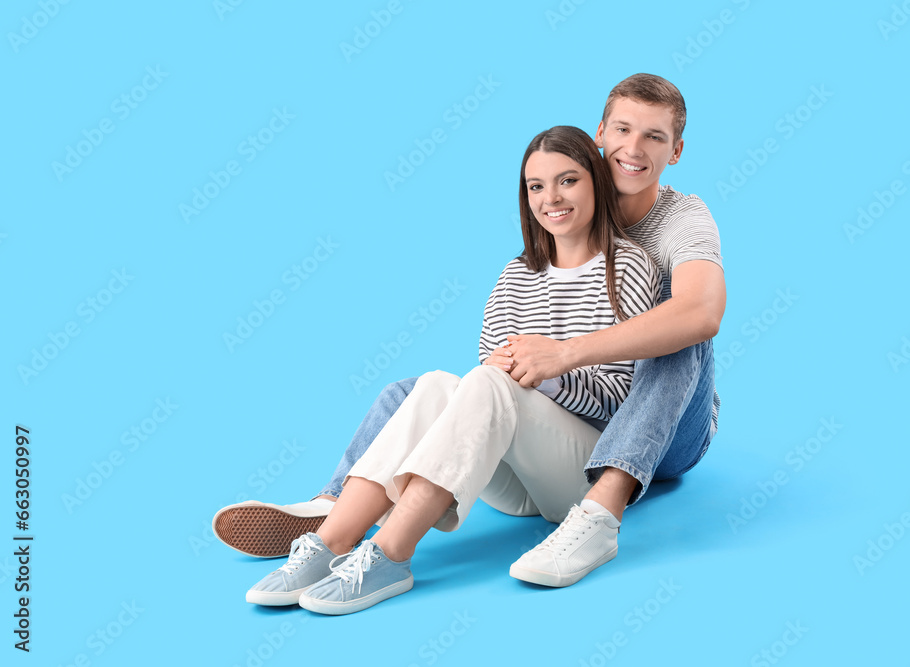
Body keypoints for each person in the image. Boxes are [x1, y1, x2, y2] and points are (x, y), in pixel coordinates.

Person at [214, 73, 726, 588]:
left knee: (682, 329)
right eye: (622, 130)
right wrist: (516, 371)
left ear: (675, 151)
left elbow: (701, 313)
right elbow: (495, 372)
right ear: (600, 135)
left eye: (654, 137)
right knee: (423, 391)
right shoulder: (534, 253)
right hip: (546, 441)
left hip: (668, 427)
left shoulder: (671, 227)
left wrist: (558, 359)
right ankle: (336, 511)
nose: (632, 149)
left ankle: (600, 514)